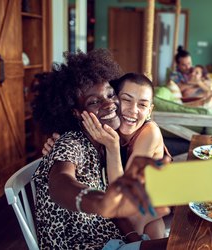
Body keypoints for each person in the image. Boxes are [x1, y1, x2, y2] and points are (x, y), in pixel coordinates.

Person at [32, 49, 168, 249]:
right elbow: (60, 184)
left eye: (110, 94)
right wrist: (97, 201)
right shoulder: (71, 143)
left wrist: (133, 239)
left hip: (114, 235)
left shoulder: (104, 142)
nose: (109, 104)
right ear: (77, 113)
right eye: (94, 101)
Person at [82, 72, 171, 239]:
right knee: (154, 229)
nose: (133, 110)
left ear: (150, 110)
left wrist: (113, 147)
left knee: (128, 220)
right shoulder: (110, 125)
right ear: (114, 100)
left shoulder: (149, 133)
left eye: (142, 105)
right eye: (127, 100)